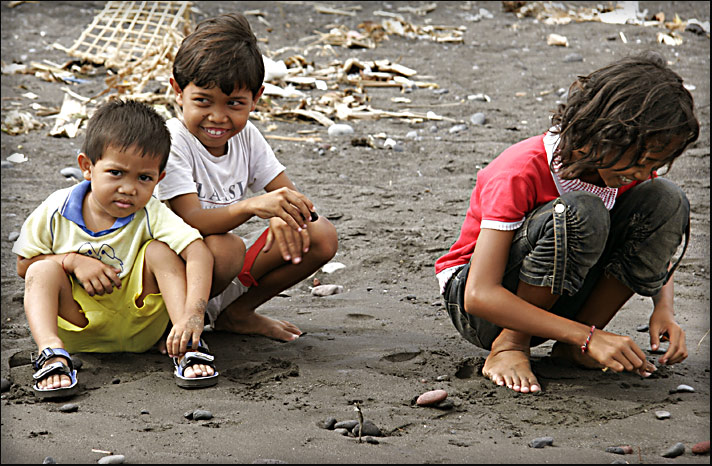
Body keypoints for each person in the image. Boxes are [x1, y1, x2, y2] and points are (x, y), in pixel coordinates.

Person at [435, 52, 699, 394]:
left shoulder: (620, 168)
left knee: (666, 197)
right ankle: (511, 346)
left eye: (658, 162)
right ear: (603, 136)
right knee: (581, 212)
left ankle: (574, 348)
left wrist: (663, 308)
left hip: (562, 298)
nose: (644, 172)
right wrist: (590, 336)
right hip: (484, 310)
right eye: (644, 161)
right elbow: (479, 296)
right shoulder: (520, 169)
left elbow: (652, 226)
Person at [13, 100, 218, 399]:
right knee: (41, 269)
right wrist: (72, 261)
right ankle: (52, 354)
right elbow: (23, 265)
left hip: (141, 326)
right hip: (79, 326)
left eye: (144, 177)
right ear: (87, 167)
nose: (129, 188)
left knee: (160, 251)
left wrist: (193, 314)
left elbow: (198, 251)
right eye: (116, 173)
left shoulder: (151, 211)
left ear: (159, 179)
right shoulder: (55, 210)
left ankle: (188, 347)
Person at [156, 12, 338, 342]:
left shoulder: (247, 137)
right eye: (202, 101)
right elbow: (191, 220)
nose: (218, 116)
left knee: (319, 232)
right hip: (170, 278)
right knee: (224, 248)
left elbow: (292, 199)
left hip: (218, 280)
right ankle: (171, 325)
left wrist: (287, 216)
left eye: (234, 103)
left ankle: (236, 313)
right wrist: (253, 206)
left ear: (256, 98)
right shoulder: (173, 140)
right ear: (177, 91)